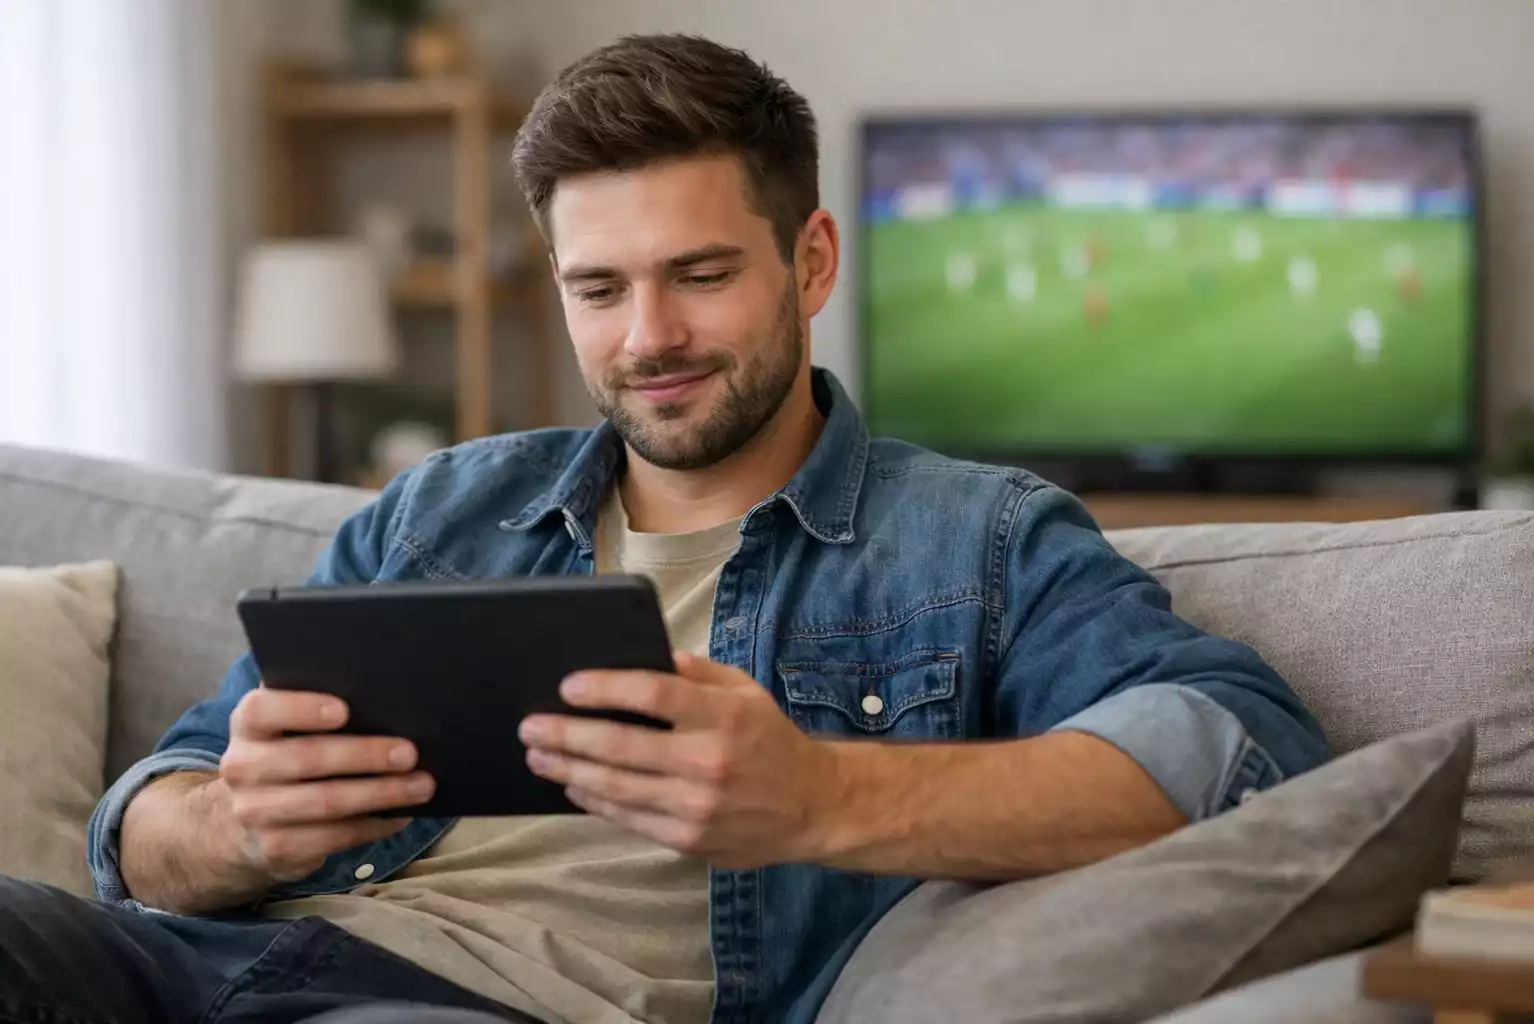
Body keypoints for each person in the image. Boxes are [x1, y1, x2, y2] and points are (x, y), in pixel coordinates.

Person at [0, 33, 1329, 1024]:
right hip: (188, 968)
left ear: (809, 262)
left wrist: (823, 796)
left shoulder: (976, 540)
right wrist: (234, 827)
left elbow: (1240, 747)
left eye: (700, 276)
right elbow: (145, 824)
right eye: (599, 288)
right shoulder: (436, 509)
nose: (649, 340)